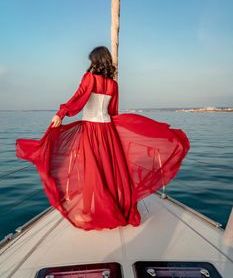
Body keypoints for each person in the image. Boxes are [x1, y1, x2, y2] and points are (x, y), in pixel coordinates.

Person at [16, 46, 190, 231]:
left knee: (91, 169)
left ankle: (89, 211)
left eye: (92, 60)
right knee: (108, 169)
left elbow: (78, 98)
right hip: (108, 130)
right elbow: (113, 111)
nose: (90, 63)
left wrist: (61, 113)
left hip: (91, 129)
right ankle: (110, 206)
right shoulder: (113, 85)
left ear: (96, 61)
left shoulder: (90, 78)